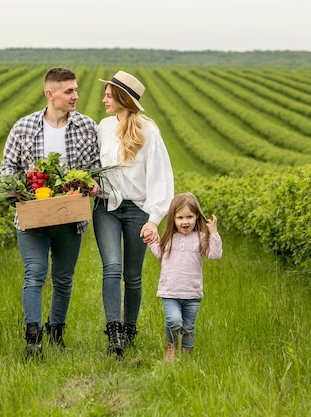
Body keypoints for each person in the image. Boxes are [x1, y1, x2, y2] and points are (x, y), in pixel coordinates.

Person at [0, 67, 100, 358]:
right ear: (50, 94)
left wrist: (92, 185)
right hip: (33, 217)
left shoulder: (86, 126)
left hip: (69, 216)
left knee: (64, 278)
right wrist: (23, 191)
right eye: (69, 91)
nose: (76, 96)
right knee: (35, 274)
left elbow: (94, 170)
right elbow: (7, 171)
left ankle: (56, 332)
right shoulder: (23, 127)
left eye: (76, 90)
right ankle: (33, 338)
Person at [94, 70, 174, 356]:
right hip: (106, 207)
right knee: (111, 268)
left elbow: (161, 177)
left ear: (122, 98)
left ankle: (130, 329)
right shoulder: (102, 127)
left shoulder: (148, 131)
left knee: (133, 275)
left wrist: (154, 219)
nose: (104, 98)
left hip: (138, 209)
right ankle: (113, 331)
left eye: (109, 94)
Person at [147, 193, 223, 362]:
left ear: (197, 217)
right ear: (173, 218)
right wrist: (151, 240)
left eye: (190, 216)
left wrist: (214, 233)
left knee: (188, 327)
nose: (185, 221)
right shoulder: (169, 238)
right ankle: (171, 348)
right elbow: (160, 255)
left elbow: (215, 255)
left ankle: (186, 356)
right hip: (170, 291)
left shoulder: (201, 238)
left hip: (192, 293)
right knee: (174, 321)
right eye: (180, 217)